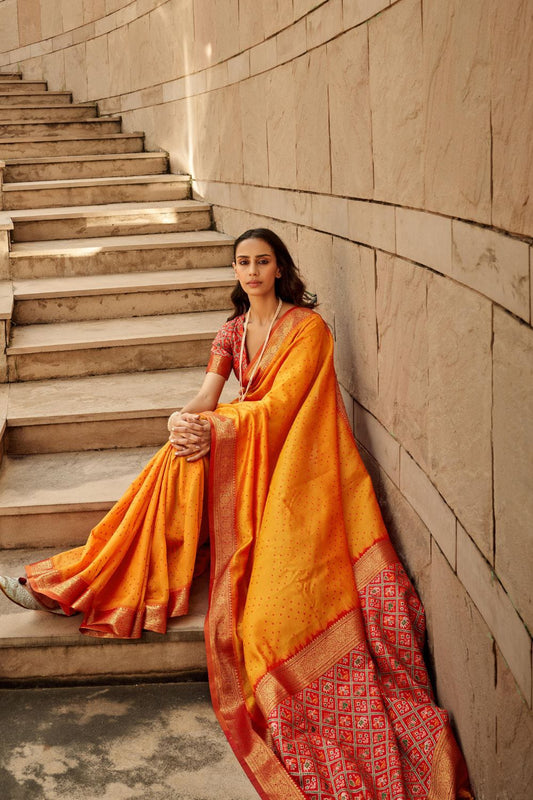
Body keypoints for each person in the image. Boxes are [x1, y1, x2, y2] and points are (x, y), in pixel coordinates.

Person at [0, 228, 473, 800]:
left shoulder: (308, 329)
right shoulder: (230, 331)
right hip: (247, 448)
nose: (252, 271)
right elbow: (209, 393)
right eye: (242, 262)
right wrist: (185, 419)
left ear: (280, 269)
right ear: (234, 270)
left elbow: (282, 408)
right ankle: (85, 578)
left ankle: (89, 577)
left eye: (262, 262)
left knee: (269, 610)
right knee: (176, 455)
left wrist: (221, 426)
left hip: (299, 460)